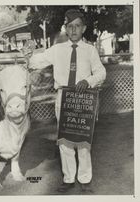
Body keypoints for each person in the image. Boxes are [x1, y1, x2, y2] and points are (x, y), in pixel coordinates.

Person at [27, 9, 106, 193]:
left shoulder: (90, 50)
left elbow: (101, 73)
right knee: (65, 141)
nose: (73, 30)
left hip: (84, 98)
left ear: (84, 28)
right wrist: (28, 53)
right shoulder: (57, 50)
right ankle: (69, 178)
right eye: (70, 26)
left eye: (77, 26)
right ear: (66, 28)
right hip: (63, 98)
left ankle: (85, 179)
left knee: (83, 141)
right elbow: (35, 62)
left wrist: (88, 81)